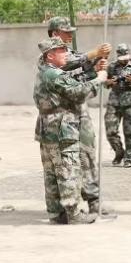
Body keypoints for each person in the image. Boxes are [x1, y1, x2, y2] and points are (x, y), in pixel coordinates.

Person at [34, 37, 107, 224]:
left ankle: (56, 214)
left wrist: (92, 73)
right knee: (68, 170)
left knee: (52, 172)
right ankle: (73, 213)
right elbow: (78, 93)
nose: (66, 53)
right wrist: (99, 80)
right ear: (50, 55)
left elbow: (74, 84)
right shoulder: (54, 74)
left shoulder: (47, 71)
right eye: (61, 50)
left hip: (48, 128)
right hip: (62, 129)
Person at [103, 44, 131, 168]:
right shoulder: (111, 66)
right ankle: (119, 152)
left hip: (130, 102)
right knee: (110, 131)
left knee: (130, 131)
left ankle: (129, 158)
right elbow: (104, 83)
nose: (124, 60)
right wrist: (109, 82)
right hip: (114, 102)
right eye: (122, 58)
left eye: (126, 58)